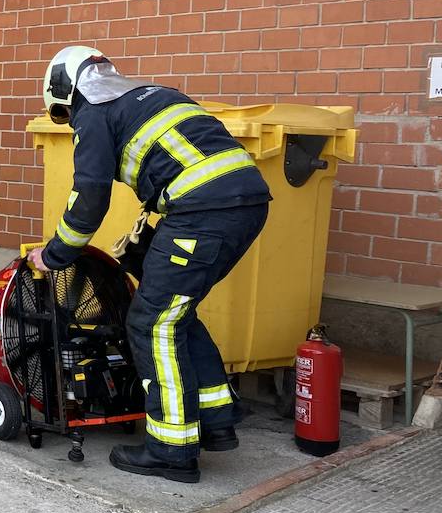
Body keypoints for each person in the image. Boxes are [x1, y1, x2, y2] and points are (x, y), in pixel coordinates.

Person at [29, 46, 271, 483]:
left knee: (151, 322)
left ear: (63, 90)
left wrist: (52, 256)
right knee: (176, 311)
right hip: (245, 204)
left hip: (203, 211)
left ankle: (171, 450)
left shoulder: (95, 112)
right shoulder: (155, 93)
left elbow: (88, 202)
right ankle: (216, 419)